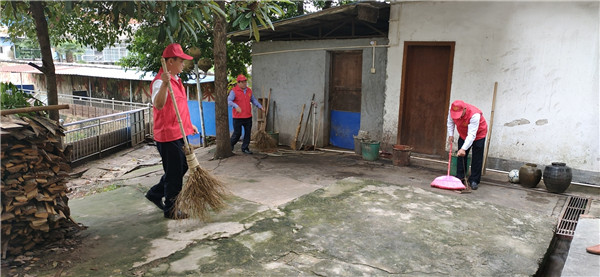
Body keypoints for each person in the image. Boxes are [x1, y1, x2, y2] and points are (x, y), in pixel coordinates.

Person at [145, 43, 197, 219]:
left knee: (180, 167)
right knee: (175, 174)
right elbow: (158, 105)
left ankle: (155, 193)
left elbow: (179, 108)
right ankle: (171, 210)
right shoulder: (160, 81)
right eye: (180, 61)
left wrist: (190, 126)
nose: (183, 64)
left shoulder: (176, 80)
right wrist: (165, 85)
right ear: (170, 61)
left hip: (179, 132)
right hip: (167, 136)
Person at [447, 100, 488, 190]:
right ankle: (460, 177)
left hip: (478, 134)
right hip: (463, 133)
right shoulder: (452, 110)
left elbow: (471, 135)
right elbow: (450, 122)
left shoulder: (474, 115)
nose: (457, 117)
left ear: (464, 109)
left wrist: (463, 148)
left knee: (477, 157)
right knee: (461, 156)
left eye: (459, 114)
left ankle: (474, 180)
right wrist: (451, 134)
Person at [228, 74, 264, 154]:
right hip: (237, 117)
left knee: (248, 133)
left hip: (248, 116)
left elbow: (253, 100)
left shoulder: (249, 90)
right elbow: (229, 101)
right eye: (243, 82)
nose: (245, 83)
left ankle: (245, 148)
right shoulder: (234, 91)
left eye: (245, 81)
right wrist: (236, 106)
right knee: (237, 133)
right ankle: (230, 145)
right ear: (238, 83)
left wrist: (260, 106)